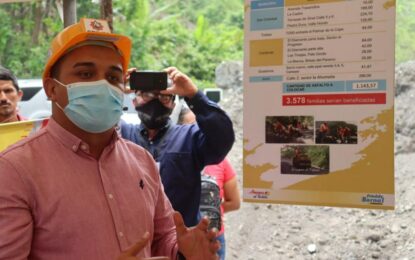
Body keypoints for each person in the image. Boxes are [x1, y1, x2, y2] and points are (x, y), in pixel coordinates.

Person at [0, 18, 219, 260]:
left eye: (113, 78)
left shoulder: (141, 160)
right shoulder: (13, 170)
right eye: (86, 73)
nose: (102, 85)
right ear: (52, 88)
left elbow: (161, 237)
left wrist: (182, 251)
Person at [120, 68, 235, 228]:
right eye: (147, 95)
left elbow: (222, 139)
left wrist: (194, 95)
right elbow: (92, 127)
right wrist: (113, 90)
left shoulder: (190, 138)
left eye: (164, 96)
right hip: (134, 240)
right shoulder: (122, 136)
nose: (155, 101)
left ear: (173, 105)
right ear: (134, 101)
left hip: (180, 241)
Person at [178, 105, 240, 260]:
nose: (198, 133)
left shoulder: (221, 162)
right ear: (179, 130)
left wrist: (211, 209)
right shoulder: (174, 161)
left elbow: (235, 202)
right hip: (182, 240)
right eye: (192, 127)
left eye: (202, 127)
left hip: (213, 237)